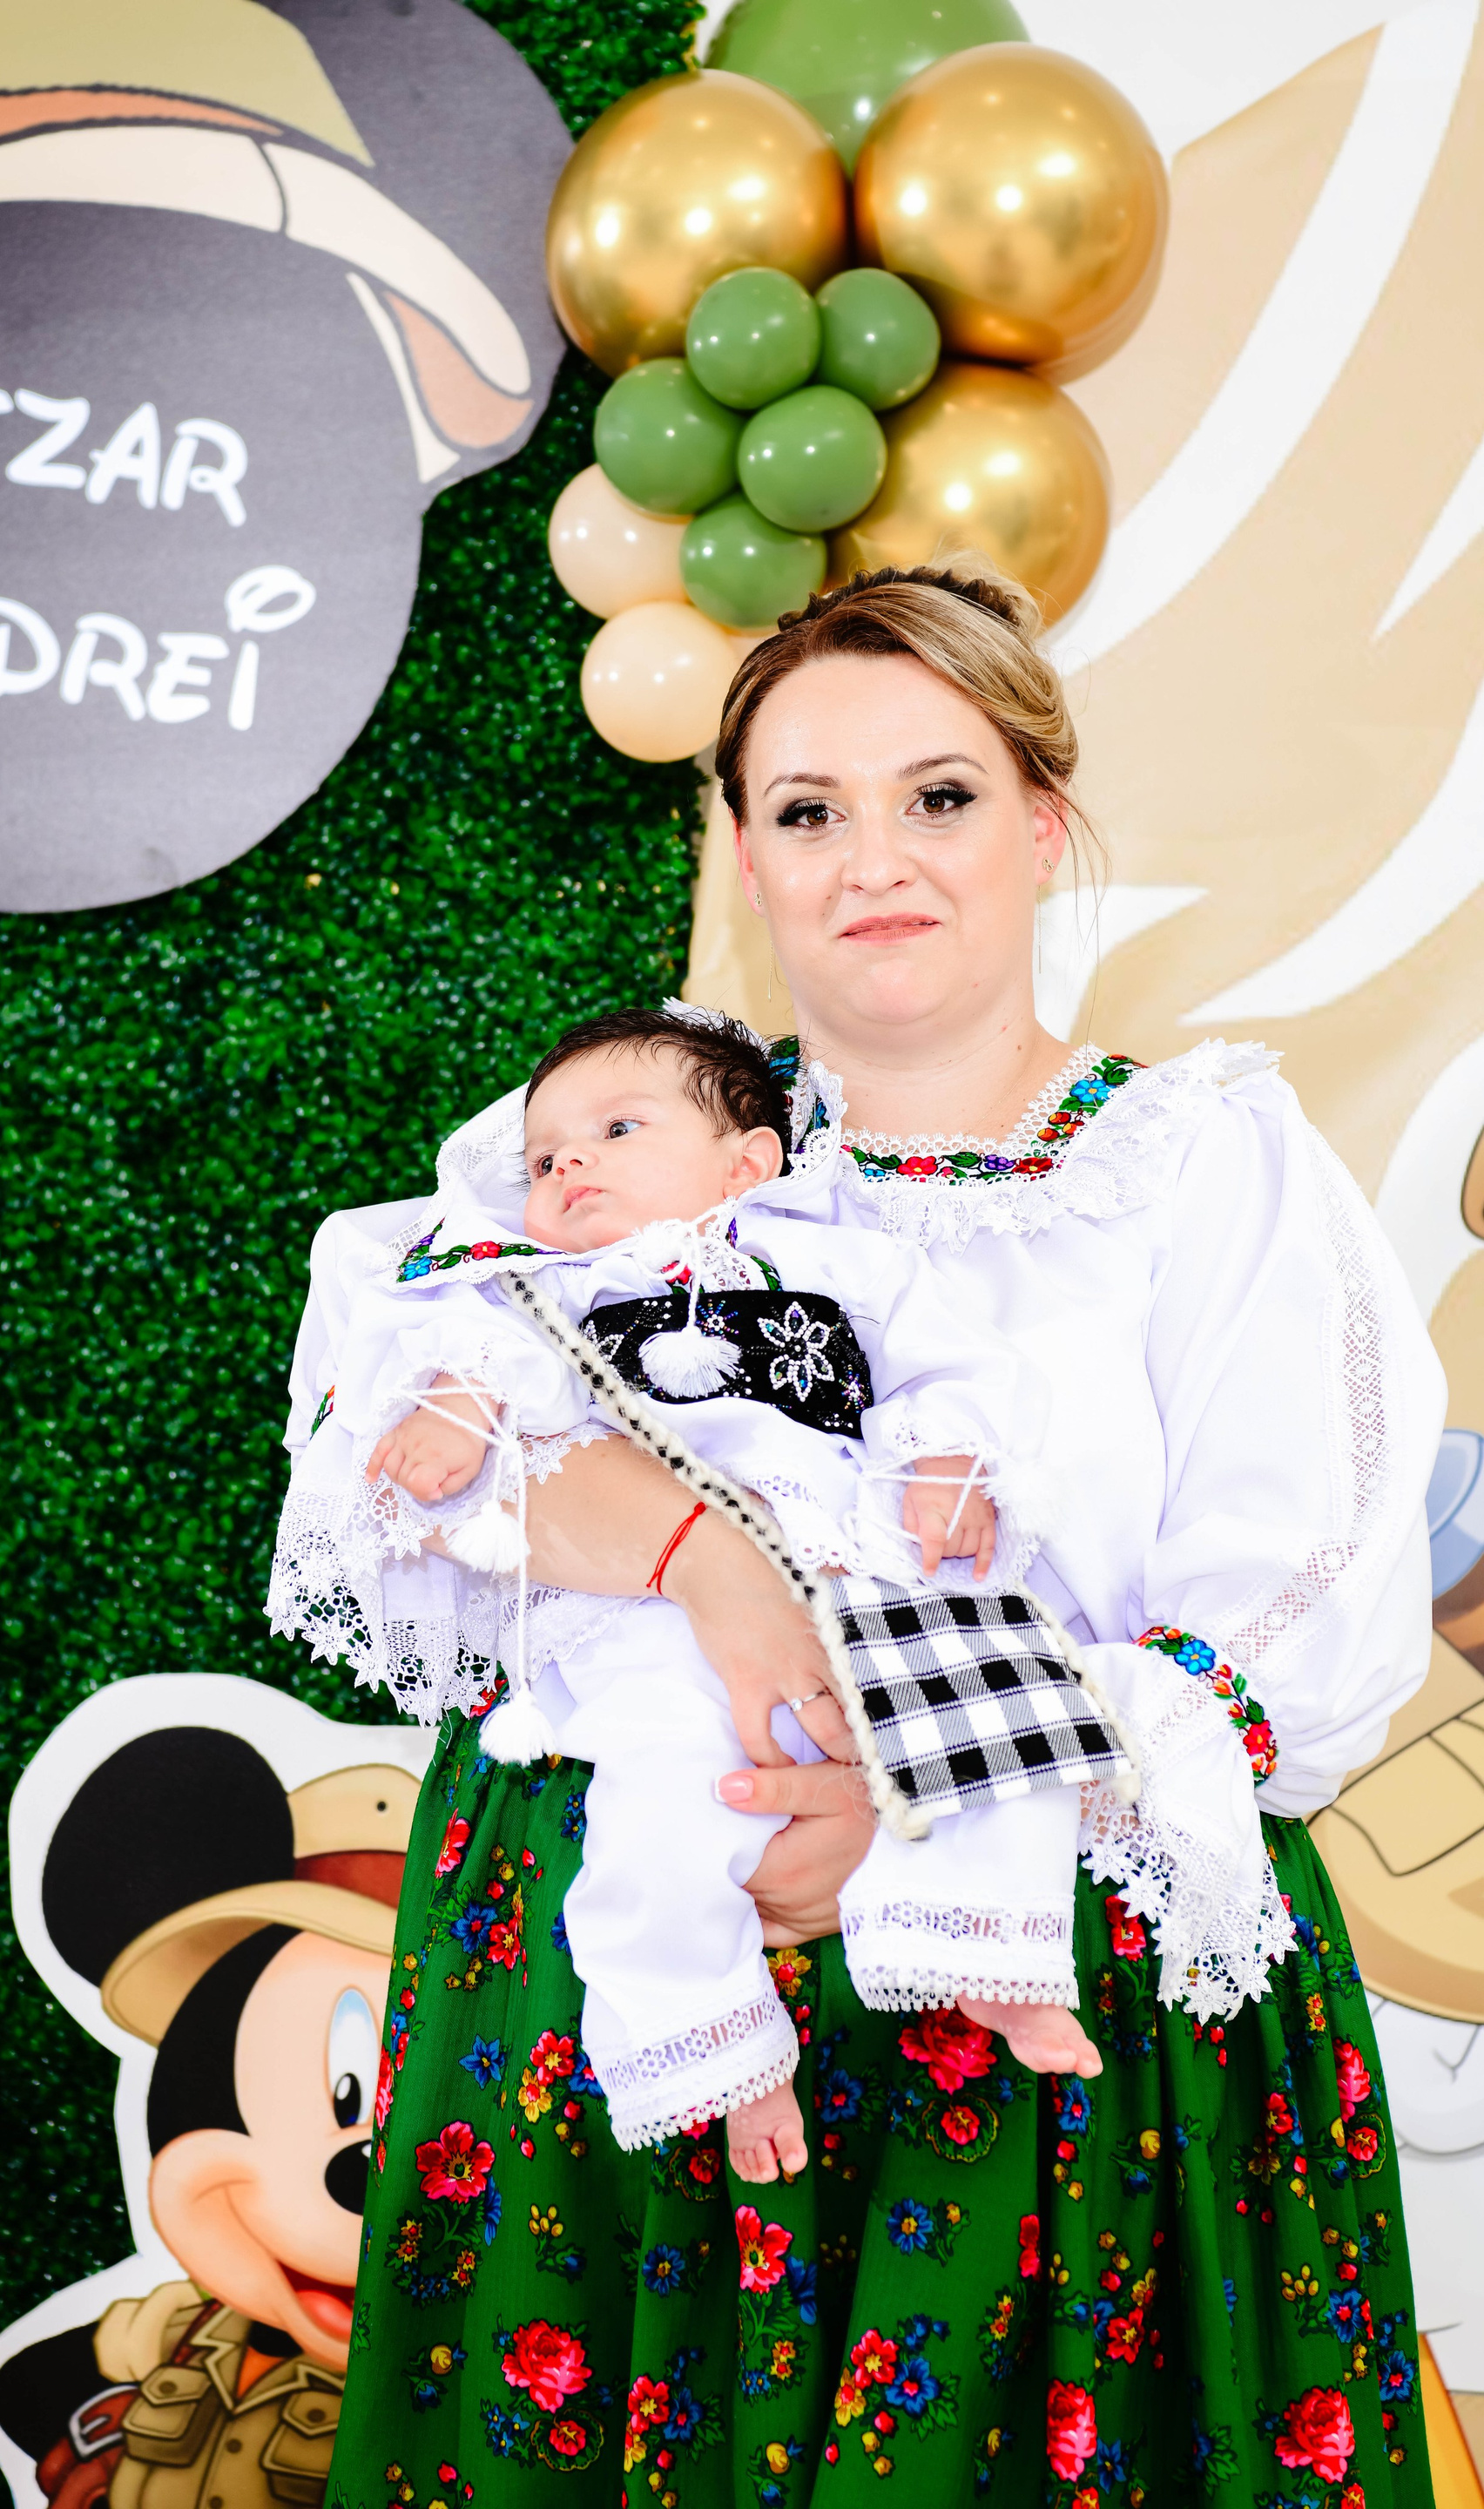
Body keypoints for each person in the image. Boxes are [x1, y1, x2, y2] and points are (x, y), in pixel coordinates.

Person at [311, 565, 1445, 2509]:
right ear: (746, 857)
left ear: (1043, 823)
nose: (875, 861)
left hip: (1059, 1997)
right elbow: (388, 1457)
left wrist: (917, 1792)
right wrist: (707, 1570)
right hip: (626, 1984)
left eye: (940, 795)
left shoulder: (1201, 1164)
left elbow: (1296, 1620)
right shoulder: (617, 1137)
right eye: (808, 810)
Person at [273, 1004, 1126, 2186]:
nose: (570, 1165)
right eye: (544, 1158)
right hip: (652, 1610)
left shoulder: (832, 1256)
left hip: (848, 1552)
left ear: (747, 1161)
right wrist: (457, 1409)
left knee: (1002, 1698)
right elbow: (486, 1361)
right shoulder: (547, 1285)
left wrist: (948, 1456)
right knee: (670, 1786)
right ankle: (709, 2040)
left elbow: (949, 1362)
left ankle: (991, 1949)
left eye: (617, 1131)